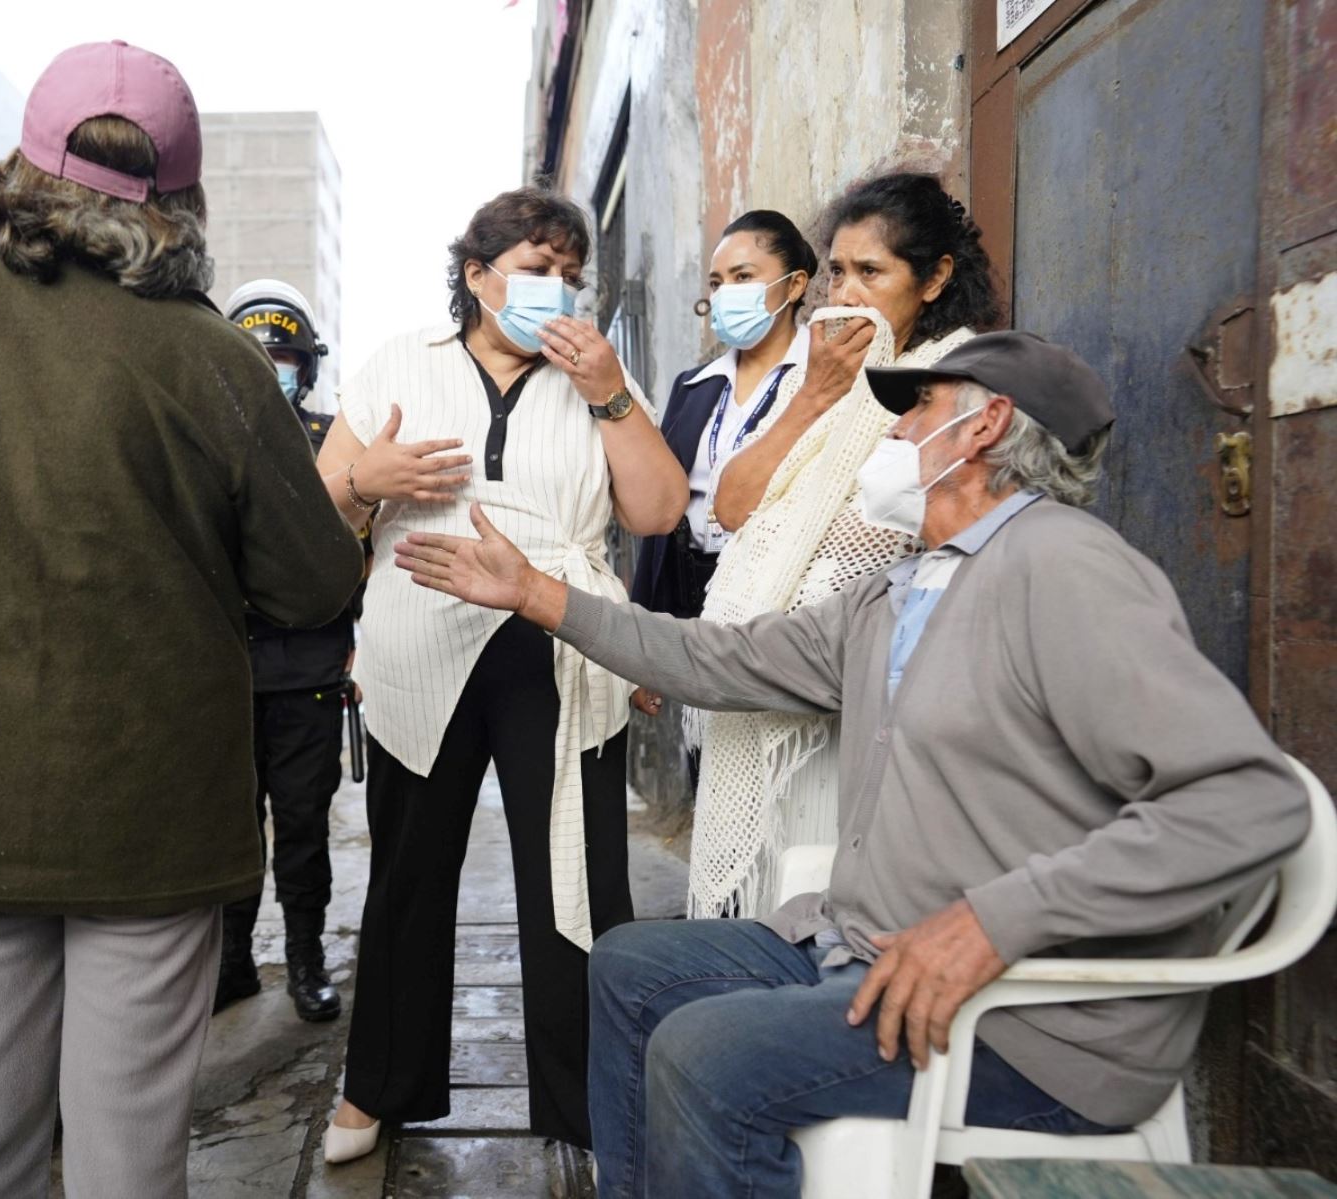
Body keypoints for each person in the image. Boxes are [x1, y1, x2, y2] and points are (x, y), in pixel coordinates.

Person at [395, 330, 1311, 1199]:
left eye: (919, 410)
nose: (898, 431)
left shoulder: (1064, 567)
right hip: (866, 950)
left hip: (1028, 1020)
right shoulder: (904, 587)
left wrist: (991, 923)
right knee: (631, 968)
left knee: (707, 1052)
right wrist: (536, 595)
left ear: (984, 424)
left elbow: (1245, 801)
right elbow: (717, 661)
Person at [0, 43, 362, 1198]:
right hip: (151, 818)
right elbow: (314, 585)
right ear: (181, 197)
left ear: (23, 170)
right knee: (126, 1154)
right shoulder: (216, 358)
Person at [313, 187, 689, 1163]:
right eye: (534, 267)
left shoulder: (600, 377)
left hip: (558, 637)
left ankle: (586, 1100)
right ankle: (378, 1087)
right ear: (478, 275)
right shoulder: (403, 363)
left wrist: (608, 388)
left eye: (570, 274)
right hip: (420, 638)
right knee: (408, 872)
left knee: (577, 872)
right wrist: (368, 481)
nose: (554, 288)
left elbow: (655, 510)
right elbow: (316, 506)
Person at [689, 172, 1002, 924]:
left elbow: (901, 526)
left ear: (934, 279)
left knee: (818, 901)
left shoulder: (965, 380)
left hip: (862, 699)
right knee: (766, 904)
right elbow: (733, 506)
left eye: (872, 271)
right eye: (837, 269)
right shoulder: (831, 375)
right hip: (770, 674)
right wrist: (813, 396)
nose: (848, 291)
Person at [218, 277, 357, 1023]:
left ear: (307, 362)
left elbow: (358, 550)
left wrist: (361, 649)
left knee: (303, 828)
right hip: (223, 674)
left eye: (285, 353)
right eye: (257, 353)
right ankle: (233, 962)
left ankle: (306, 960)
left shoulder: (336, 441)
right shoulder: (202, 434)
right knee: (231, 830)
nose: (273, 364)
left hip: (308, 668)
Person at [628, 209, 816, 720]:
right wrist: (645, 650)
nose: (725, 292)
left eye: (743, 277)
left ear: (794, 284)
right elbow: (662, 523)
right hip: (694, 597)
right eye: (717, 281)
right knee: (706, 749)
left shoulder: (823, 377)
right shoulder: (694, 387)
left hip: (780, 598)